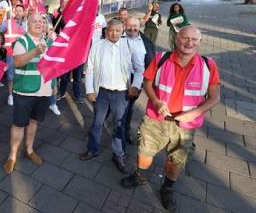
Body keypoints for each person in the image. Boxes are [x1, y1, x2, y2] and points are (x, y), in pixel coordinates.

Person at [121, 26, 220, 212]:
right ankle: (140, 175)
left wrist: (194, 113)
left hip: (185, 126)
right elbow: (147, 82)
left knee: (176, 161)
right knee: (144, 152)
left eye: (194, 40)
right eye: (185, 38)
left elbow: (215, 97)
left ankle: (167, 188)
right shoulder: (161, 59)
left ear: (199, 43)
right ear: (177, 38)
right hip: (155, 120)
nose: (189, 43)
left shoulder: (208, 65)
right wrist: (156, 101)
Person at [79, 19, 143, 173]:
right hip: (101, 92)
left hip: (121, 94)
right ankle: (93, 149)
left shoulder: (129, 45)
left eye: (117, 31)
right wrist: (89, 90)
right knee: (97, 122)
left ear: (122, 31)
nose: (113, 33)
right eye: (110, 30)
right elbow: (90, 69)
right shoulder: (97, 45)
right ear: (106, 30)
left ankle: (118, 155)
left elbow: (139, 68)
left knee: (119, 125)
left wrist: (135, 85)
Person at [4, 13, 56, 174]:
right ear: (28, 24)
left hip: (44, 91)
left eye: (41, 21)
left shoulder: (49, 42)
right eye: (34, 21)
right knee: (19, 124)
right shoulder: (22, 42)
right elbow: (18, 62)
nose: (38, 24)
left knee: (34, 122)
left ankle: (29, 149)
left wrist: (54, 85)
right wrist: (35, 51)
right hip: (25, 91)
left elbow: (54, 66)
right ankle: (12, 156)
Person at [122, 17, 155, 146]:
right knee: (108, 107)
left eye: (135, 26)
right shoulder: (117, 36)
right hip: (117, 77)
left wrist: (142, 84)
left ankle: (125, 131)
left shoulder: (147, 43)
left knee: (128, 108)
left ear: (139, 26)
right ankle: (99, 128)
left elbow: (150, 64)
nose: (132, 28)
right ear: (125, 25)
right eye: (129, 25)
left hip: (136, 78)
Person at [3, 4, 27, 106]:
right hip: (10, 54)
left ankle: (19, 94)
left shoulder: (26, 24)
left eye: (20, 11)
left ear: (23, 13)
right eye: (16, 10)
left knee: (22, 75)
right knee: (11, 76)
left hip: (22, 54)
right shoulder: (7, 22)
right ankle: (10, 96)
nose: (18, 12)